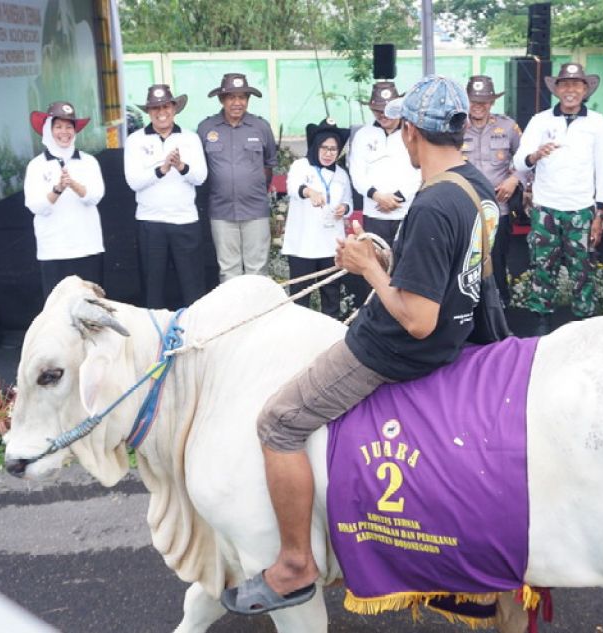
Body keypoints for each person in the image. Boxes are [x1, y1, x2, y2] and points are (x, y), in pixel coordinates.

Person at [219, 75, 498, 616]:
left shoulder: (435, 203)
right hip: (457, 336)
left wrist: (369, 267)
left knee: (277, 421)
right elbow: (452, 275)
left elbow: (417, 319)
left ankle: (296, 565)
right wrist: (390, 259)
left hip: (398, 349)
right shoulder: (476, 187)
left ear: (412, 132)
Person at [513, 63, 603, 333]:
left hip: (581, 209)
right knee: (542, 268)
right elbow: (519, 163)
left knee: (582, 272)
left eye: (576, 85)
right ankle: (541, 326)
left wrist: (600, 213)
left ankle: (583, 329)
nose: (570, 90)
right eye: (565, 85)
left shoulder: (597, 122)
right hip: (546, 207)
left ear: (585, 89)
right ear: (556, 89)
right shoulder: (540, 120)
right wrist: (536, 155)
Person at [124, 84, 207, 309]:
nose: (161, 112)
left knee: (192, 287)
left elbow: (200, 177)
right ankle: (155, 339)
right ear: (148, 112)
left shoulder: (190, 138)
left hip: (185, 221)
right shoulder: (135, 140)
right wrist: (161, 170)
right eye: (155, 108)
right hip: (151, 222)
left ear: (174, 108)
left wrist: (180, 166)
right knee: (153, 289)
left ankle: (195, 336)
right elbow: (133, 182)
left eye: (166, 106)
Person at [198, 73, 278, 282]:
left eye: (242, 97)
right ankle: (235, 316)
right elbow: (200, 169)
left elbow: (269, 165)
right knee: (228, 271)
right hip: (221, 211)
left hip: (255, 210)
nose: (237, 103)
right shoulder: (206, 128)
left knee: (257, 271)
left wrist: (253, 187)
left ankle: (259, 314)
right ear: (222, 100)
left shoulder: (261, 127)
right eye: (231, 97)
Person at [23, 101, 106, 299]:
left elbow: (95, 196)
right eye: (58, 126)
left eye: (69, 126)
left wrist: (73, 185)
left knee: (93, 305)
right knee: (58, 311)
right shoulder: (36, 165)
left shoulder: (89, 161)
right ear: (48, 130)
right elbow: (35, 205)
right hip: (53, 250)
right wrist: (57, 189)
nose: (64, 132)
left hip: (88, 246)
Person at [462, 75, 522, 306]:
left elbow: (525, 161)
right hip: (465, 209)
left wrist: (514, 180)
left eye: (484, 101)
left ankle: (500, 309)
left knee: (496, 261)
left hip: (499, 209)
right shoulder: (455, 127)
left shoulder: (508, 127)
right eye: (474, 100)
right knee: (466, 262)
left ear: (492, 102)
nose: (478, 106)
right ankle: (469, 308)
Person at [282, 119, 352, 317]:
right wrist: (309, 192)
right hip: (303, 245)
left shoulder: (341, 174)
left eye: (334, 149)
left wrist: (344, 208)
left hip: (330, 244)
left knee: (331, 294)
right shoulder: (300, 166)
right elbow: (293, 187)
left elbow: (348, 203)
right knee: (300, 296)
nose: (329, 153)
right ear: (315, 146)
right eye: (325, 148)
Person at [348, 81, 422, 248]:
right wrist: (377, 196)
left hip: (406, 211)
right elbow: (357, 173)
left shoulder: (412, 133)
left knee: (405, 265)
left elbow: (420, 171)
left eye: (388, 110)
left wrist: (399, 198)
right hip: (374, 213)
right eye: (378, 111)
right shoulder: (362, 135)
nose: (383, 115)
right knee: (377, 263)